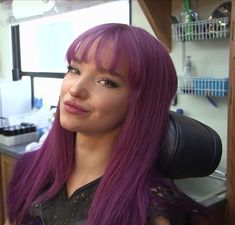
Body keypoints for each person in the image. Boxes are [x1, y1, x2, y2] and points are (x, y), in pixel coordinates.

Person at [5, 23, 206, 225]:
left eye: (106, 82)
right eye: (74, 70)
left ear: (142, 103)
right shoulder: (29, 169)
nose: (75, 89)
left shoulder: (150, 211)